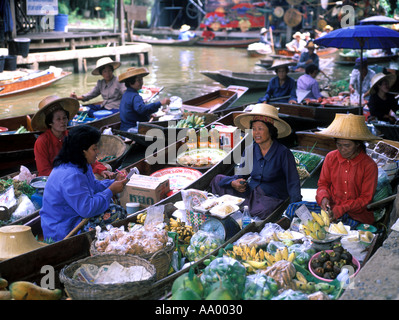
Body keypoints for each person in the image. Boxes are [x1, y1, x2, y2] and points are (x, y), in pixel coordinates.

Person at [210, 103, 302, 220]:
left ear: (271, 131)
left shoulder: (283, 153)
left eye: (260, 129)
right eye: (253, 129)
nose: (256, 133)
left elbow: (293, 183)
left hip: (270, 198)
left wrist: (295, 207)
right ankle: (242, 208)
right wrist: (235, 183)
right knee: (217, 180)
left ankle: (241, 209)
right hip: (250, 192)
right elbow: (240, 175)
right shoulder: (250, 149)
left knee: (263, 210)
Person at [40, 125, 128, 242]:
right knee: (117, 212)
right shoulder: (71, 175)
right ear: (82, 150)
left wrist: (114, 181)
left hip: (74, 217)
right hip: (64, 231)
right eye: (94, 149)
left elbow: (93, 186)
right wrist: (111, 191)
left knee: (112, 206)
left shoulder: (81, 164)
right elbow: (87, 209)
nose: (98, 152)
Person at [314, 113, 380, 227]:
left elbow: (365, 199)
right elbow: (323, 184)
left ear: (358, 144)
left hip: (356, 214)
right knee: (296, 208)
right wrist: (323, 198)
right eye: (339, 145)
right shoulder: (330, 157)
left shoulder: (369, 165)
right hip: (331, 207)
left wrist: (342, 208)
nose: (342, 149)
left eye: (347, 146)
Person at [31, 95, 113, 178]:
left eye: (64, 118)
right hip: (55, 178)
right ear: (50, 122)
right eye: (58, 119)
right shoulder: (42, 141)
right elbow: (44, 171)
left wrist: (101, 169)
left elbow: (86, 156)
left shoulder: (71, 136)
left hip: (74, 171)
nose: (63, 122)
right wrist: (70, 174)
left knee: (107, 169)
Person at [118, 67, 170, 131]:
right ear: (131, 82)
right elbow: (142, 110)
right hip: (132, 129)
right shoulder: (135, 96)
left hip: (124, 128)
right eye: (138, 80)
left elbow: (135, 111)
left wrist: (149, 114)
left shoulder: (126, 94)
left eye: (141, 80)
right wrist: (160, 103)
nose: (141, 83)